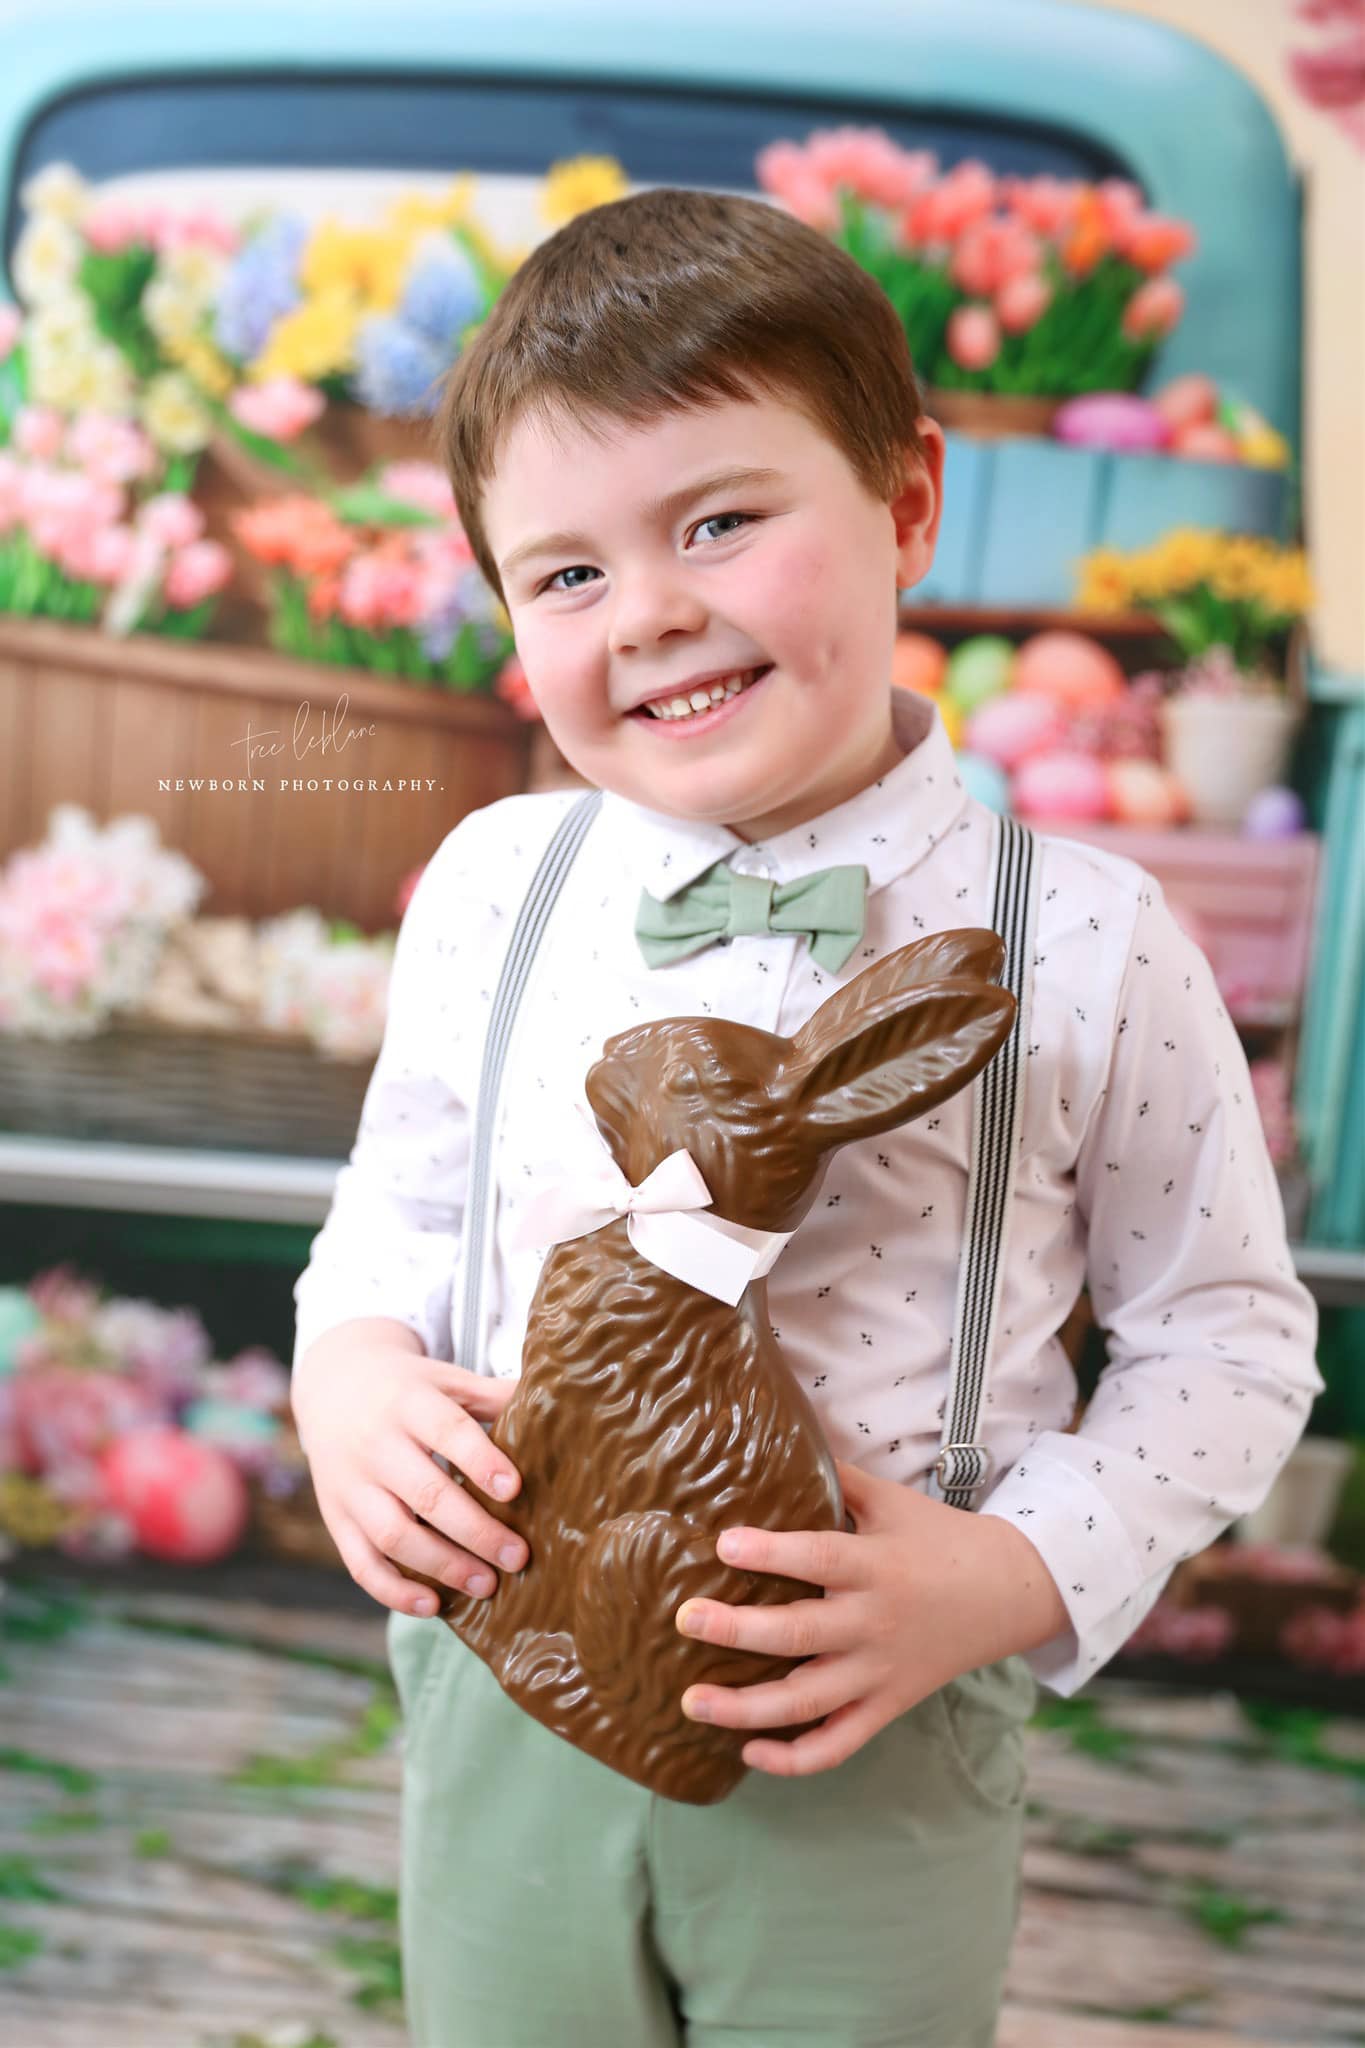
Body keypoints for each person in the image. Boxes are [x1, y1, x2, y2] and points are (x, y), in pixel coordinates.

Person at [290, 186, 1322, 2047]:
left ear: (906, 500)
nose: (655, 613)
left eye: (721, 520)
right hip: (502, 1669)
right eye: (568, 573)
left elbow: (1226, 1333)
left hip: (874, 1716)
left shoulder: (1089, 940)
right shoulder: (490, 882)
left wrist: (1010, 1571)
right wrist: (349, 1368)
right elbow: (395, 1205)